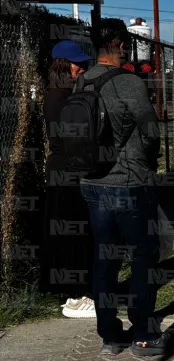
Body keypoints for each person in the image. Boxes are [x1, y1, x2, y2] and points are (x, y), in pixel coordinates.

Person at [78, 20, 174, 356]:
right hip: (130, 184)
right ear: (120, 44)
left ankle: (110, 336)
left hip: (92, 183)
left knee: (105, 258)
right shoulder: (128, 82)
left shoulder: (82, 80)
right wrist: (150, 162)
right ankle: (144, 335)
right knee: (142, 258)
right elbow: (151, 131)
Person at [42, 40, 95, 318]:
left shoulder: (65, 94)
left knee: (77, 232)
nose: (82, 68)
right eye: (78, 64)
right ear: (63, 66)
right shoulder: (58, 97)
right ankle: (75, 297)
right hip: (65, 171)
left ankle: (77, 293)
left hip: (67, 170)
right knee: (72, 234)